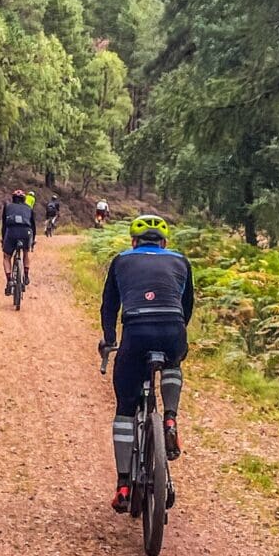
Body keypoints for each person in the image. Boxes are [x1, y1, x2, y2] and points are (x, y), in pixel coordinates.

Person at [98, 215, 193, 514]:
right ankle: (170, 418)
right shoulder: (181, 260)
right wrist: (176, 337)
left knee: (125, 407)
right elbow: (186, 305)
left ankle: (124, 483)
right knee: (174, 361)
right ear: (164, 243)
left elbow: (109, 305)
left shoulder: (121, 260)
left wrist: (109, 339)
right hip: (172, 327)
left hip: (135, 332)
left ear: (133, 242)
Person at [1, 189, 37, 294]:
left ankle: (9, 281)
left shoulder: (7, 207)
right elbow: (33, 226)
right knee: (26, 252)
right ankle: (25, 276)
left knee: (7, 257)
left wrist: (3, 239)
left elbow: (4, 225)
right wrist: (33, 240)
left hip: (11, 232)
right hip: (26, 233)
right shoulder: (29, 209)